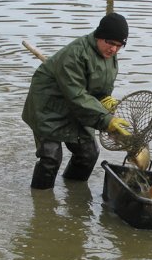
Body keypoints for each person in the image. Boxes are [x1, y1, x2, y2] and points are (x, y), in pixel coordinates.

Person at [22, 12, 132, 189]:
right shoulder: (75, 54)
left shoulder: (110, 58)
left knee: (89, 154)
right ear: (99, 36)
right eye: (110, 43)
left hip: (79, 107)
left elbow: (97, 90)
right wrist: (106, 120)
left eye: (119, 45)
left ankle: (74, 193)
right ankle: (42, 203)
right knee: (51, 157)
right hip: (48, 106)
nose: (114, 49)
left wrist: (105, 100)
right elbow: (77, 96)